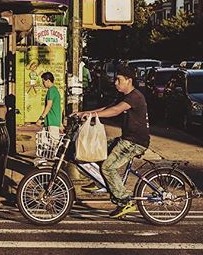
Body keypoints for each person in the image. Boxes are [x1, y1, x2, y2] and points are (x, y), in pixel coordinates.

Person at [76, 64, 150, 219]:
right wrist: (85, 113)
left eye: (118, 79)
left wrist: (92, 115)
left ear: (129, 80)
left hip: (135, 142)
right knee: (99, 150)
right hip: (127, 139)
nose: (115, 82)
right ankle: (100, 182)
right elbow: (108, 107)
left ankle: (125, 201)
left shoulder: (134, 96)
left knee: (108, 167)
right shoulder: (125, 96)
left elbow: (115, 111)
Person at [36, 72, 62, 141]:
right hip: (51, 121)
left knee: (54, 144)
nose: (43, 83)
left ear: (48, 80)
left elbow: (49, 106)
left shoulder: (51, 90)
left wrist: (41, 118)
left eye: (43, 81)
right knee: (44, 143)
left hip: (52, 121)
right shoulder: (55, 90)